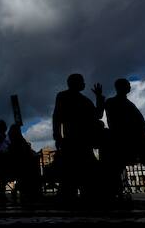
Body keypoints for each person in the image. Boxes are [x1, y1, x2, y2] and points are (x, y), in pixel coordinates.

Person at [103, 78, 145, 203]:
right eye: (128, 85)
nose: (130, 87)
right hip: (130, 141)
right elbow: (114, 122)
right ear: (121, 87)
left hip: (134, 142)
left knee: (120, 168)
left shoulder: (123, 103)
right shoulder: (113, 102)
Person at [52, 73, 104, 201]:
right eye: (82, 81)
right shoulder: (83, 100)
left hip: (73, 139)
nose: (84, 84)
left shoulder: (64, 96)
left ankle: (71, 195)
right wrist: (98, 98)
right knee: (81, 171)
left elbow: (56, 117)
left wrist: (57, 135)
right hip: (80, 140)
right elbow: (98, 115)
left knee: (71, 173)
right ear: (76, 83)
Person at [7, 123, 41, 199]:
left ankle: (22, 188)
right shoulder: (21, 142)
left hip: (18, 166)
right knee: (31, 164)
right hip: (23, 166)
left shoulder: (12, 142)